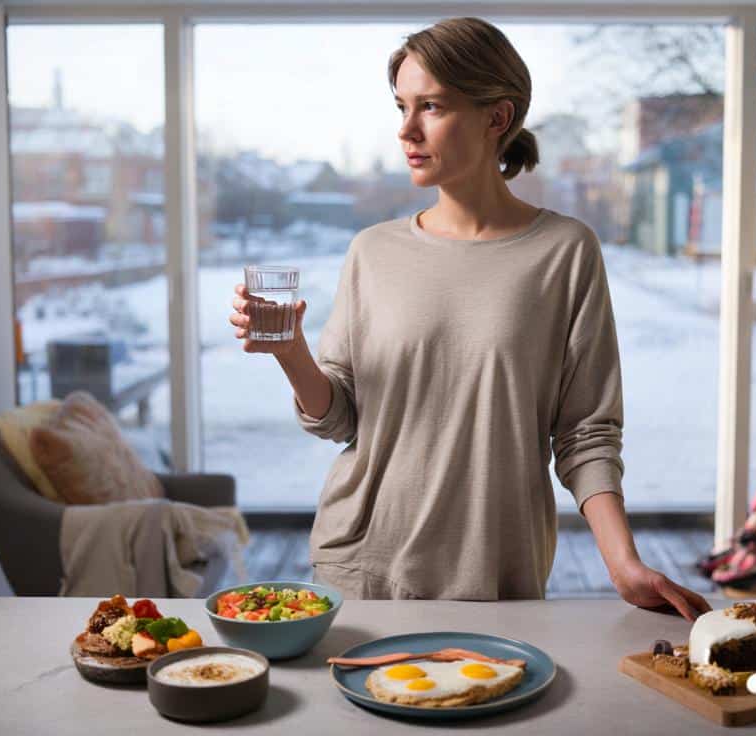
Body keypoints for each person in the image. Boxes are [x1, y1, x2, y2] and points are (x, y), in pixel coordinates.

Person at [230, 17, 709, 620]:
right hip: (363, 563)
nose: (406, 129)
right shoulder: (372, 251)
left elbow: (585, 432)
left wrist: (622, 564)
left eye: (430, 106)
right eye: (401, 106)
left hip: (496, 573)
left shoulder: (564, 251)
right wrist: (291, 352)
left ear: (497, 117)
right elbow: (342, 417)